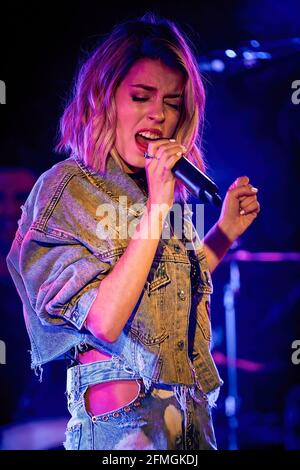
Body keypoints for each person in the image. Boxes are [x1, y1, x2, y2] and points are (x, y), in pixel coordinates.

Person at [6, 13, 260, 450]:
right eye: (141, 97)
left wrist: (223, 233)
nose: (158, 115)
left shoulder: (160, 195)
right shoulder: (68, 189)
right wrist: (159, 204)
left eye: (173, 102)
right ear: (104, 99)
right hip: (123, 434)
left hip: (190, 424)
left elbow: (167, 289)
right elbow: (104, 320)